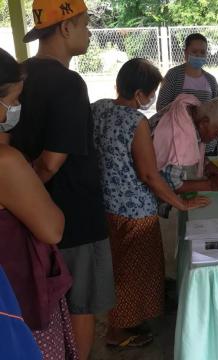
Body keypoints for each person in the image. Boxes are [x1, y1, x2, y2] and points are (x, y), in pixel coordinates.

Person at [10, 1, 115, 359]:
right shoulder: (69, 83)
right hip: (71, 218)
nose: (89, 32)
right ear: (66, 28)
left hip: (26, 220)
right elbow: (51, 163)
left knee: (46, 308)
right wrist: (34, 194)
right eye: (85, 25)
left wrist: (22, 203)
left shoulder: (18, 74)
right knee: (80, 305)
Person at [91, 58, 210, 348]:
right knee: (135, 273)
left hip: (105, 205)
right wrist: (179, 204)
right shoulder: (136, 121)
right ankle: (119, 332)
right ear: (139, 95)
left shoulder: (98, 108)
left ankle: (124, 321)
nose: (152, 98)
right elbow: (148, 174)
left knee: (118, 267)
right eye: (152, 92)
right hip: (135, 212)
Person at [0, 47, 78, 359]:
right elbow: (52, 228)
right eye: (13, 99)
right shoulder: (6, 162)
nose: (16, 108)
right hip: (16, 299)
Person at [151, 94, 218, 193]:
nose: (216, 138)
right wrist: (212, 185)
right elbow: (170, 184)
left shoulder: (191, 111)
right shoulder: (179, 136)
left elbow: (194, 151)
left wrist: (207, 165)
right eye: (217, 133)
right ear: (204, 123)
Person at [156, 33, 218, 156]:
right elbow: (161, 106)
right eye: (194, 51)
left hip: (205, 142)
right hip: (178, 144)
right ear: (185, 53)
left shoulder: (211, 80)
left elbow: (217, 111)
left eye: (202, 52)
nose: (199, 55)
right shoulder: (173, 75)